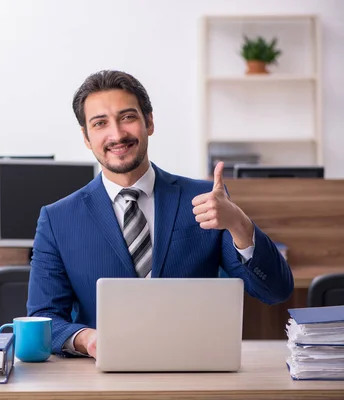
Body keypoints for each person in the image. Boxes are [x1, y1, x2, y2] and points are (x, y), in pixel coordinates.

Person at [26, 70, 294, 359]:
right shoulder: (57, 219)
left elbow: (275, 292)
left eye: (127, 117)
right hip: (102, 373)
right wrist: (86, 339)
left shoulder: (205, 201)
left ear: (149, 122)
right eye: (100, 123)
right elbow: (45, 317)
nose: (116, 134)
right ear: (86, 137)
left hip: (196, 367)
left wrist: (239, 223)